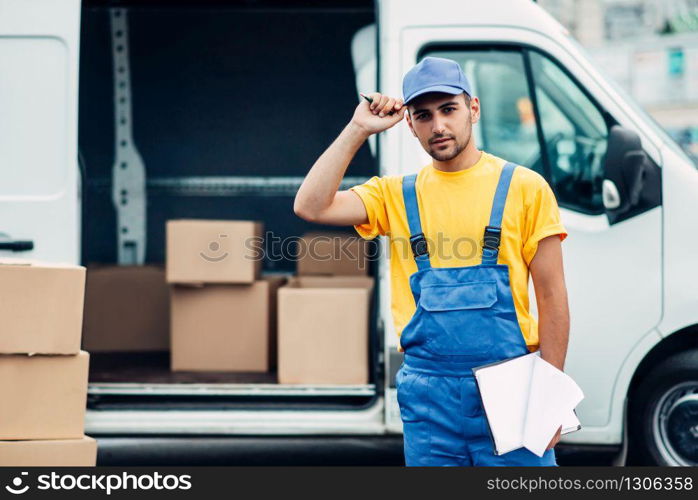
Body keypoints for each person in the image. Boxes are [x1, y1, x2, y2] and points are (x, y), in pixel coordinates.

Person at [294, 56, 570, 466]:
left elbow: (552, 297)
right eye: (423, 115)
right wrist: (358, 129)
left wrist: (550, 397)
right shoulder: (395, 195)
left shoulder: (525, 188)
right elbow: (311, 206)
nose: (438, 126)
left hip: (514, 388)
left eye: (448, 110)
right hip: (430, 395)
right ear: (409, 125)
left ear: (472, 109)